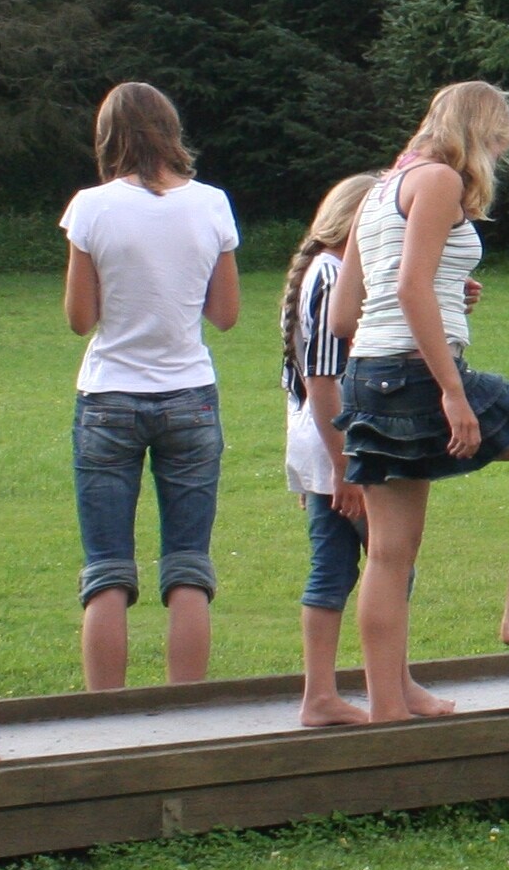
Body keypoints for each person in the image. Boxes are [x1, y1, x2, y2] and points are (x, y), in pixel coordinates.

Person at [333, 81, 509, 724]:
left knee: (390, 554)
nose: (499, 159)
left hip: (369, 372)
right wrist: (453, 392)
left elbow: (344, 313)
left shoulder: (376, 191)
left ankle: (389, 708)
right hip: (420, 374)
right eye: (499, 145)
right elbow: (409, 285)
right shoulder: (442, 180)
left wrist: (450, 291)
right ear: (481, 134)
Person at [60, 83, 241, 690]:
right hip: (189, 394)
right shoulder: (212, 204)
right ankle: (184, 710)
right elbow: (226, 313)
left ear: (109, 136)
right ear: (171, 131)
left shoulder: (90, 206)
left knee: (107, 568)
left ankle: (106, 719)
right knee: (188, 565)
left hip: (108, 396)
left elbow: (80, 318)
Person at [281, 171, 378, 726]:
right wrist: (344, 470)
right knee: (391, 562)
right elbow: (321, 380)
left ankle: (324, 694)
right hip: (344, 441)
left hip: (326, 444)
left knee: (336, 565)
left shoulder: (323, 273)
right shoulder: (331, 275)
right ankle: (389, 684)